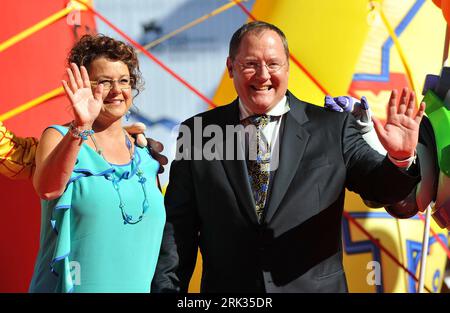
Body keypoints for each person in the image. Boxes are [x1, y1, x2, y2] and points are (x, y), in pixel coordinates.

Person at [151, 21, 425, 293]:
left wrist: (400, 158)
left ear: (287, 67)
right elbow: (178, 230)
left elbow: (381, 188)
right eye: (250, 64)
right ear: (230, 67)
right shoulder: (198, 133)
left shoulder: (333, 127)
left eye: (273, 64)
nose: (263, 75)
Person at [29, 34, 166, 293]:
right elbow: (47, 189)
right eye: (104, 82)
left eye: (124, 81)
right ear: (83, 86)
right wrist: (82, 126)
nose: (116, 91)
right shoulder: (59, 137)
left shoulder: (145, 154)